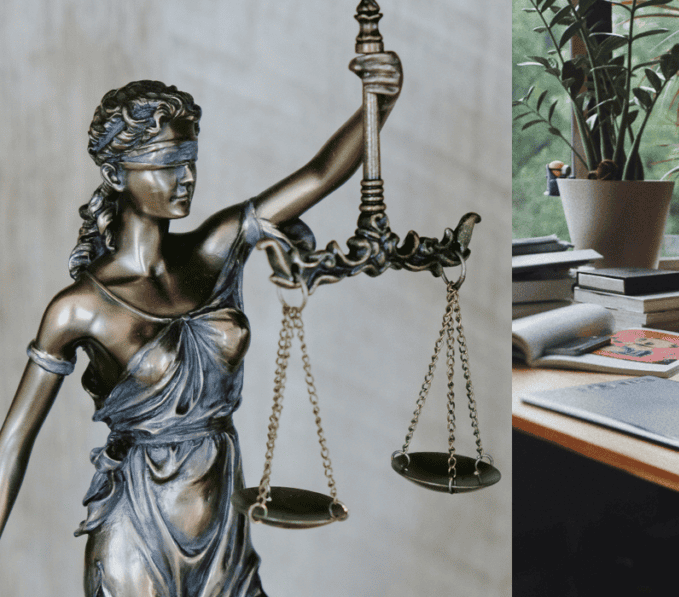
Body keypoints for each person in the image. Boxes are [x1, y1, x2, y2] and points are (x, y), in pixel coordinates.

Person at [0, 51, 402, 596]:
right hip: (134, 531)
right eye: (167, 163)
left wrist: (379, 103)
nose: (186, 177)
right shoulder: (79, 307)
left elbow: (320, 174)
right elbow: (13, 443)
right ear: (116, 173)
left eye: (190, 160)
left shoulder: (217, 250)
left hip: (223, 533)